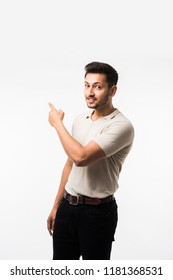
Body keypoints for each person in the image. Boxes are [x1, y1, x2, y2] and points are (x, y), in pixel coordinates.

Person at [47, 61, 134, 260]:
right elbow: (70, 163)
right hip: (67, 207)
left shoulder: (121, 126)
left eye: (98, 86)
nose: (90, 92)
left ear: (113, 90)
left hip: (98, 214)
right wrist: (56, 206)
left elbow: (81, 157)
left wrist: (58, 124)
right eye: (87, 85)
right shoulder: (80, 119)